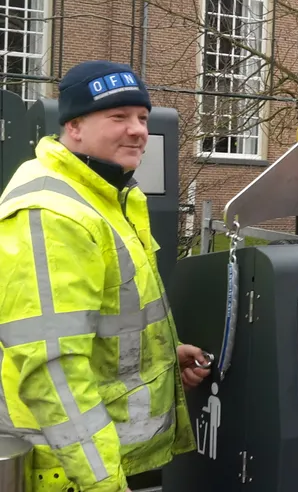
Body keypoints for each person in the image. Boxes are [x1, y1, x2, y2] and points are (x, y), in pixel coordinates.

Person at [0, 60, 211, 492]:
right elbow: (53, 370)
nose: (137, 130)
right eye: (118, 117)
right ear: (74, 126)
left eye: (142, 118)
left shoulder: (113, 195)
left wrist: (167, 356)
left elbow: (113, 317)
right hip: (76, 473)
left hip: (118, 457)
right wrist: (105, 483)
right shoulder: (53, 214)